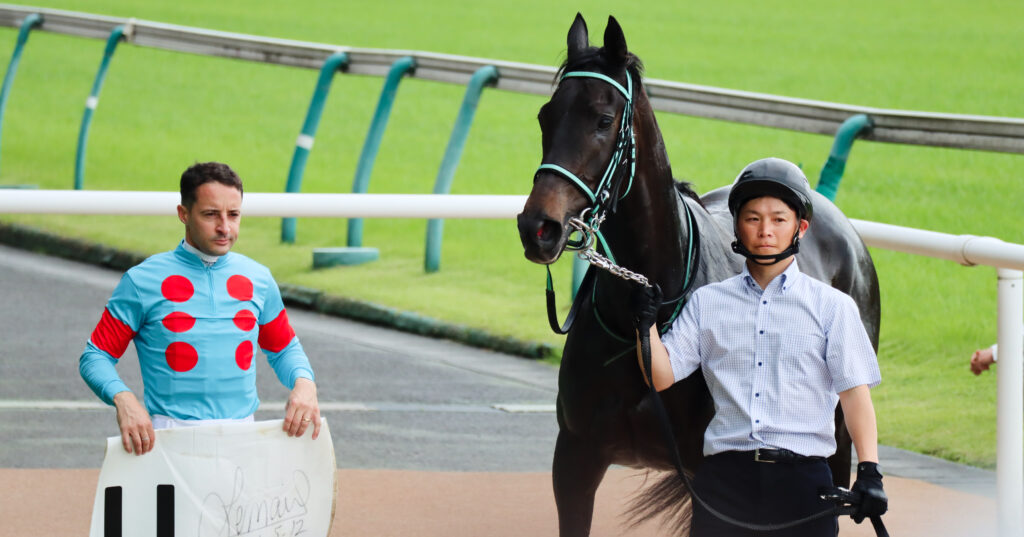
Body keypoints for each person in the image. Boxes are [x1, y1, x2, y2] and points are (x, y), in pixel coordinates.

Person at [632, 157, 887, 536]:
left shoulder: (833, 307)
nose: (765, 230)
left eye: (778, 219)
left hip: (804, 486)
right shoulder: (707, 303)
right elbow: (662, 375)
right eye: (752, 218)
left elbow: (854, 394)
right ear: (737, 225)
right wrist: (645, 326)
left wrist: (869, 470)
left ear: (800, 228)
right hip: (723, 483)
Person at [79, 162, 321, 456]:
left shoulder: (259, 279)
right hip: (169, 441)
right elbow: (96, 356)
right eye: (210, 215)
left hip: (243, 440)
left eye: (233, 215)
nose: (225, 227)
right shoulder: (142, 281)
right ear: (184, 214)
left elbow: (284, 348)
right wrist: (124, 399)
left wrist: (305, 383)